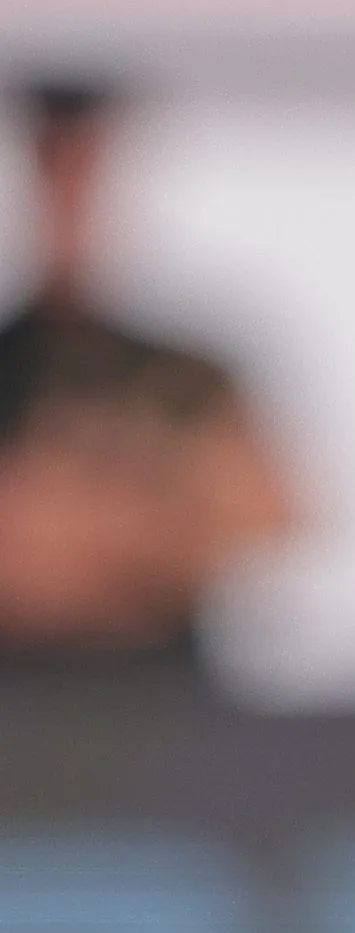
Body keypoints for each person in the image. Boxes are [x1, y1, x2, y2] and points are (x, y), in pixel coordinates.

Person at [0, 79, 297, 678]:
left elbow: (270, 517)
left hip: (152, 688)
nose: (72, 198)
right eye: (56, 170)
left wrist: (102, 540)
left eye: (87, 170)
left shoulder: (183, 376)